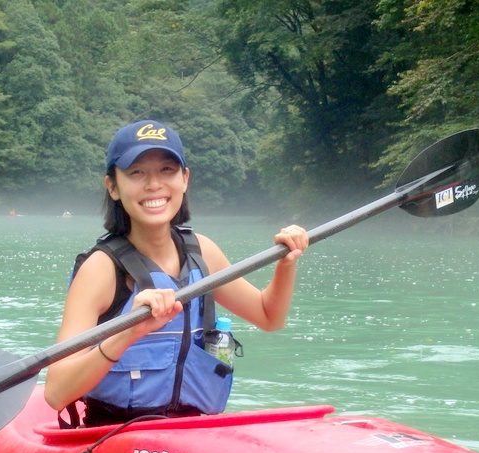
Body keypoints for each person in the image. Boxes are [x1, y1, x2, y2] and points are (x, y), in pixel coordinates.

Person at [44, 120, 308, 427]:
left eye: (167, 170)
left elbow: (269, 317)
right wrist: (128, 333)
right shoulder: (101, 270)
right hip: (112, 434)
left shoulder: (202, 253)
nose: (154, 184)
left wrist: (287, 263)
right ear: (113, 186)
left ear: (185, 179)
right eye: (136, 172)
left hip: (194, 430)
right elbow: (56, 392)